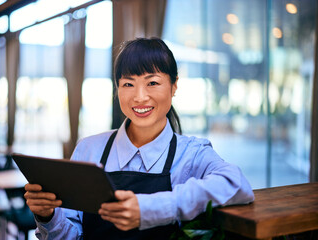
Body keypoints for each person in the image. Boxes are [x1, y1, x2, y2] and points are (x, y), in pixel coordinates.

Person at [24, 37, 254, 240]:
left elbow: (237, 185)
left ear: (174, 86)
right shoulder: (88, 149)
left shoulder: (192, 153)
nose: (140, 97)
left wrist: (150, 209)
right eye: (128, 84)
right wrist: (48, 216)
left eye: (152, 83)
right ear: (117, 89)